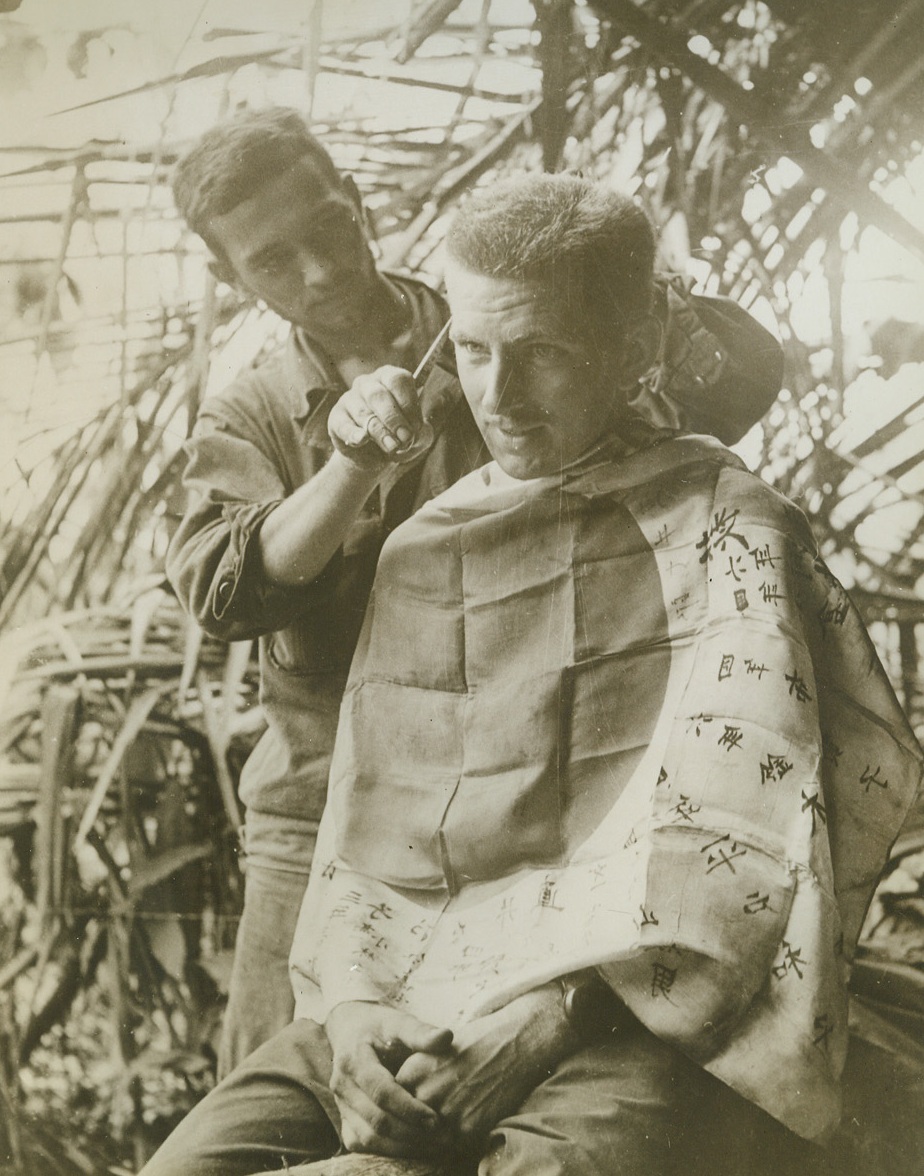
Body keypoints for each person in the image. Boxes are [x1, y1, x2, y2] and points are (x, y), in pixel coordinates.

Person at [145, 173, 921, 1176]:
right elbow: (371, 842)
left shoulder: (730, 530)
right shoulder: (422, 546)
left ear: (633, 346)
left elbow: (740, 848)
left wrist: (555, 1011)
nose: (498, 399)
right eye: (473, 352)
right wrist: (354, 1015)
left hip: (632, 993)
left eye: (542, 351)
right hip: (421, 973)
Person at [167, 108, 786, 1077]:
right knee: (288, 1080)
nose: (320, 272)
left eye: (328, 227)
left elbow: (738, 384)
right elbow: (222, 590)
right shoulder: (252, 414)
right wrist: (349, 468)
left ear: (355, 199)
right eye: (272, 261)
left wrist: (627, 293)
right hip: (325, 807)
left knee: (516, 1074)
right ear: (228, 276)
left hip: (537, 789)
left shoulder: (495, 318)